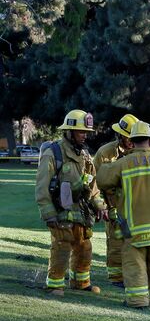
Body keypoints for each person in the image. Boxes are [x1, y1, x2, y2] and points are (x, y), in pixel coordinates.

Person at [96, 121, 150, 310]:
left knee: (134, 266)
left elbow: (102, 180)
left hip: (133, 228)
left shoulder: (123, 163)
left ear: (132, 140)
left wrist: (107, 166)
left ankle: (137, 302)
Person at [35, 109, 108, 296]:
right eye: (81, 131)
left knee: (84, 247)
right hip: (60, 211)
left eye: (87, 132)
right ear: (68, 131)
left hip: (81, 212)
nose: (85, 135)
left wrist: (100, 206)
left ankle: (80, 283)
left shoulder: (85, 156)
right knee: (62, 246)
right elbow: (42, 187)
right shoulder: (53, 153)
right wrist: (48, 213)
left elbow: (93, 187)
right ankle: (55, 284)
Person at [93, 113, 138, 287]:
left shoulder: (139, 153)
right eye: (128, 137)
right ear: (120, 135)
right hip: (113, 205)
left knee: (135, 243)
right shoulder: (105, 153)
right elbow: (94, 183)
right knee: (115, 242)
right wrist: (103, 206)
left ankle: (134, 275)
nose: (131, 141)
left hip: (135, 206)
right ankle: (116, 278)